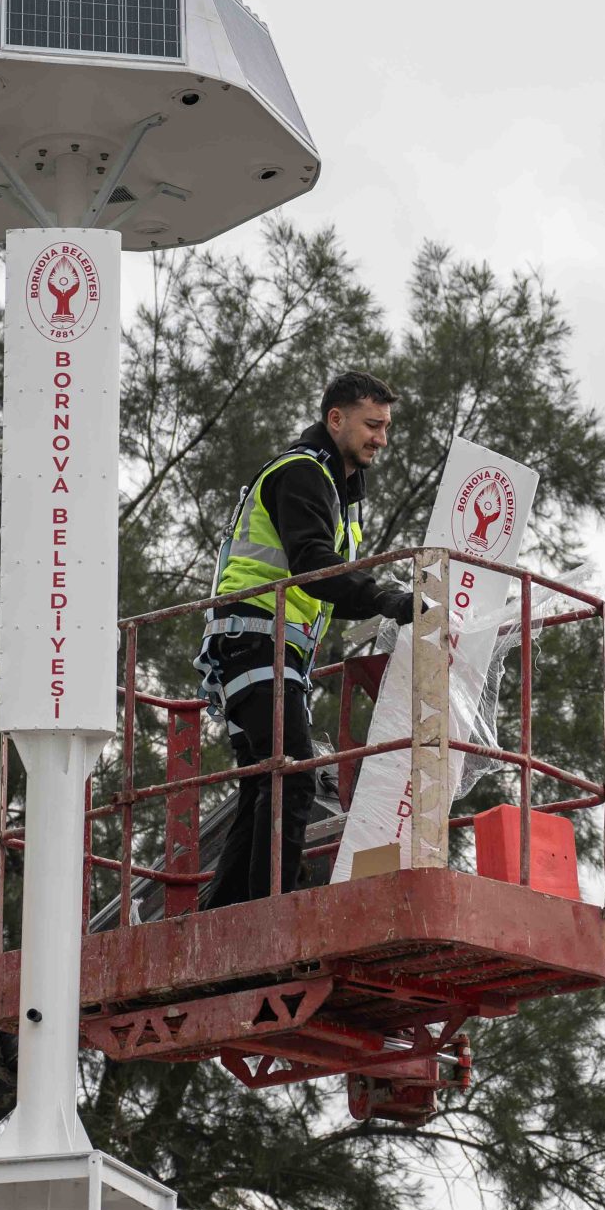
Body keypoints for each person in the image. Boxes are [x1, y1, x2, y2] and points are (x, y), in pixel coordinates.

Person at [197, 371, 418, 911]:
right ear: (335, 419)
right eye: (371, 425)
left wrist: (380, 600)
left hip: (266, 644)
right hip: (256, 639)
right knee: (291, 780)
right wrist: (385, 596)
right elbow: (315, 568)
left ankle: (222, 917)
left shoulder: (334, 490)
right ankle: (276, 914)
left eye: (386, 427)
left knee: (264, 787)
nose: (381, 439)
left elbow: (328, 587)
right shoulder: (302, 473)